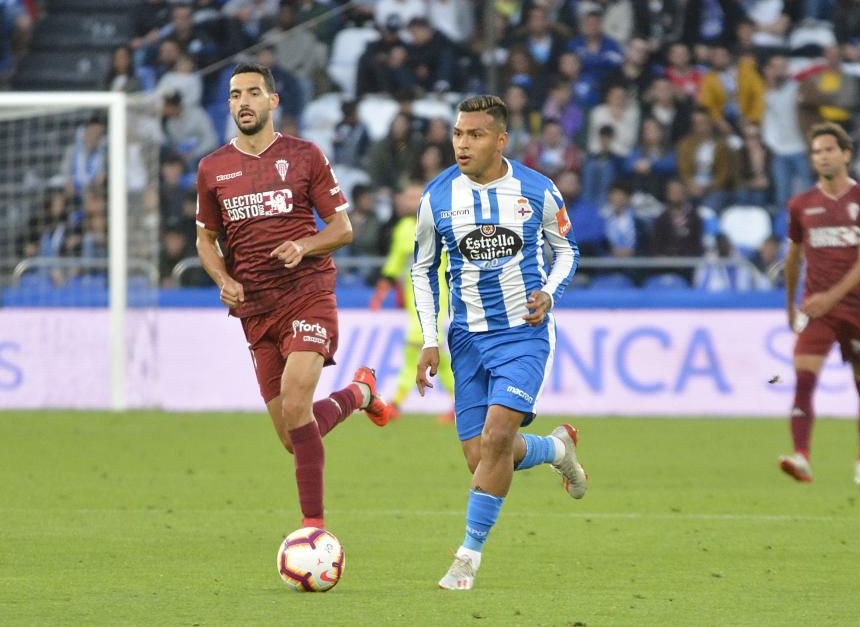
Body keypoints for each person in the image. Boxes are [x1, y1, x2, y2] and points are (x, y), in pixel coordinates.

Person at [194, 63, 391, 531]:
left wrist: (303, 245)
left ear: (273, 101)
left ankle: (314, 531)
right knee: (293, 435)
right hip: (255, 310)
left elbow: (342, 228)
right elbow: (206, 240)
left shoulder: (305, 156)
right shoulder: (212, 168)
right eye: (235, 94)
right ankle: (360, 392)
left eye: (253, 93)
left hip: (307, 294)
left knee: (298, 405)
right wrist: (222, 277)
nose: (243, 101)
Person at [411, 95, 586, 590]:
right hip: (466, 338)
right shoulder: (436, 197)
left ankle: (467, 557)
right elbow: (422, 269)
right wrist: (430, 339)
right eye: (458, 134)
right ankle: (555, 449)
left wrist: (549, 294)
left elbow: (566, 250)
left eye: (475, 135)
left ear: (500, 140)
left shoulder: (538, 190)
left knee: (494, 439)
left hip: (522, 334)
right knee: (483, 457)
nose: (462, 144)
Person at [780, 122, 860, 485]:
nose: (823, 157)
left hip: (857, 309)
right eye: (816, 152)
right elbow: (793, 257)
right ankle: (801, 456)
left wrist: (830, 297)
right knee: (803, 376)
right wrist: (791, 305)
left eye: (829, 149)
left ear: (846, 154)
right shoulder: (801, 205)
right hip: (816, 310)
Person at [369, 181, 455, 420]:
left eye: (418, 196)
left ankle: (396, 403)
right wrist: (380, 293)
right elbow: (394, 263)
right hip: (413, 300)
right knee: (437, 355)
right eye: (409, 197)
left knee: (418, 348)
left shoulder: (439, 226)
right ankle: (460, 404)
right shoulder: (404, 228)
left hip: (436, 300)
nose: (413, 202)